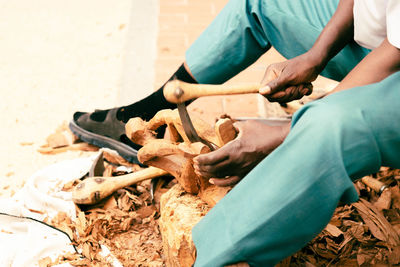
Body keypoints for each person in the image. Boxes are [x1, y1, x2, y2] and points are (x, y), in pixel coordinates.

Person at [70, 0, 400, 265]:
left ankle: (209, 253)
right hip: (380, 42)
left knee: (329, 128)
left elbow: (392, 58)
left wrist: (288, 130)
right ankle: (148, 110)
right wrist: (315, 56)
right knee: (259, 3)